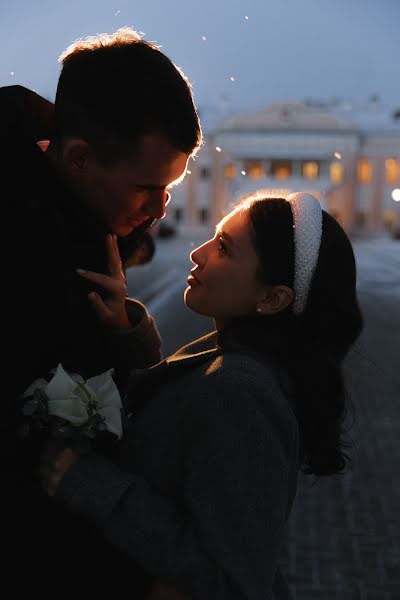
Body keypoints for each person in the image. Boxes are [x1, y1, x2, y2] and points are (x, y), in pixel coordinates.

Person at [41, 192, 364, 599]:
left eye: (224, 249)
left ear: (272, 298)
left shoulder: (241, 393)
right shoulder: (240, 361)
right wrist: (127, 333)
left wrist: (90, 483)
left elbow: (230, 582)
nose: (198, 252)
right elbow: (177, 421)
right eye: (214, 236)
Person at [2, 27, 201, 594]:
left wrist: (126, 331)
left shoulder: (85, 213)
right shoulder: (21, 241)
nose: (160, 210)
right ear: (80, 158)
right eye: (147, 189)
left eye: (170, 190)